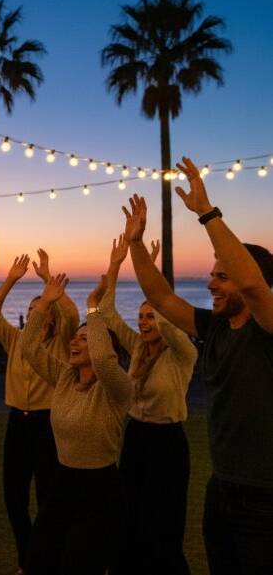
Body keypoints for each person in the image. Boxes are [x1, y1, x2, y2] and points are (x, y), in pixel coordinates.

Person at [122, 156, 273, 574]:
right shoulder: (215, 327)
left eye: (222, 276)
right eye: (212, 275)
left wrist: (207, 213)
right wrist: (135, 244)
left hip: (266, 497)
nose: (210, 283)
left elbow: (252, 284)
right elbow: (161, 298)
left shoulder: (267, 327)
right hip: (221, 488)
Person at [22, 274, 133, 575]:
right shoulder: (64, 377)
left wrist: (93, 307)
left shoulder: (118, 388)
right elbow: (29, 348)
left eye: (84, 339)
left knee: (79, 564)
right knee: (39, 560)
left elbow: (104, 361)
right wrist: (44, 303)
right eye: (75, 337)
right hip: (62, 482)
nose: (74, 341)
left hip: (100, 490)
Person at [102, 234, 197, 575]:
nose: (143, 322)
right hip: (136, 437)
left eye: (150, 317)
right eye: (141, 317)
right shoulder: (138, 348)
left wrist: (151, 276)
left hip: (167, 443)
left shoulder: (183, 354)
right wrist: (116, 265)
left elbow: (170, 320)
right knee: (129, 515)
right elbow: (109, 314)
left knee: (163, 522)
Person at [0, 250, 77, 573]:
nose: (37, 313)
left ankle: (48, 560)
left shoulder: (62, 341)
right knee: (14, 498)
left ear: (51, 317)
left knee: (49, 497)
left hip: (48, 424)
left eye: (43, 309)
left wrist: (49, 283)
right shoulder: (16, 340)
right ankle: (28, 560)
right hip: (16, 424)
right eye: (34, 308)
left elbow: (72, 315)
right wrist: (11, 279)